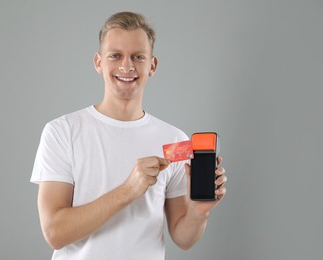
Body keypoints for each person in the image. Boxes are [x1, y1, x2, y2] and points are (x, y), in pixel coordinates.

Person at [30, 11, 227, 260]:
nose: (127, 66)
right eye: (115, 56)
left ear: (152, 65)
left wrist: (199, 212)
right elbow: (54, 232)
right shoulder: (62, 132)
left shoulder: (175, 139)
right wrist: (129, 190)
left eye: (138, 57)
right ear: (98, 62)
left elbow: (183, 238)